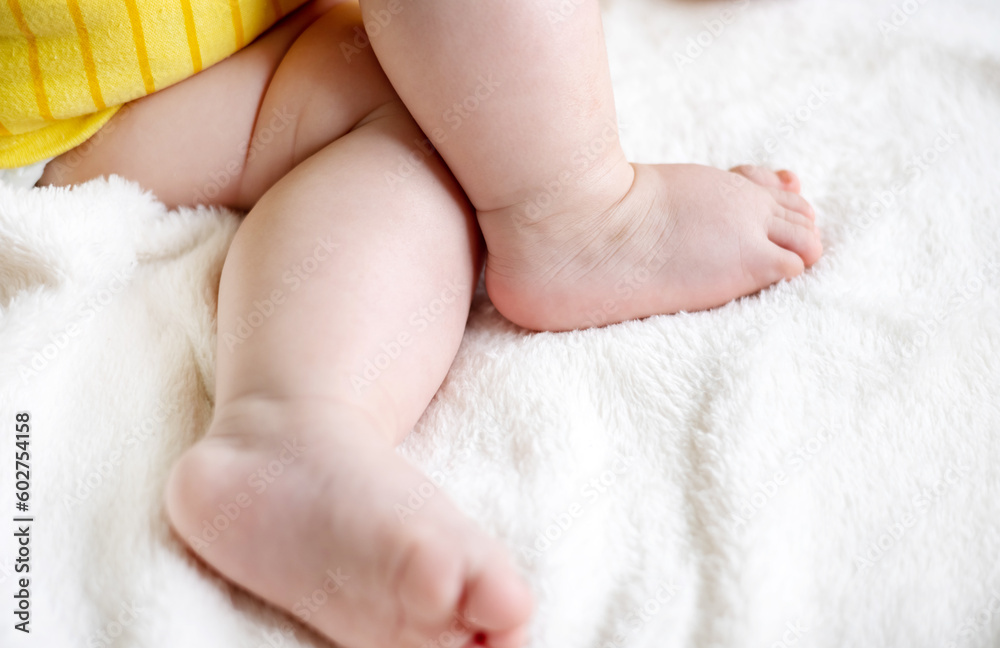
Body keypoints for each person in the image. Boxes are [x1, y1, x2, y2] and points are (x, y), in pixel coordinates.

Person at [1, 0, 821, 644]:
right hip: (81, 107)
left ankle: (294, 433)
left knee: (444, 111)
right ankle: (579, 208)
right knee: (458, 104)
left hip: (191, 62)